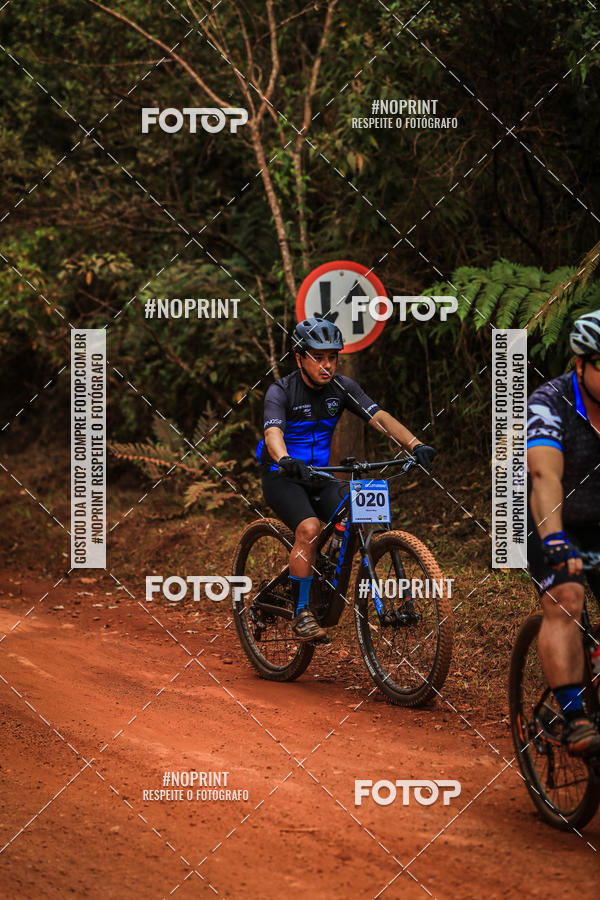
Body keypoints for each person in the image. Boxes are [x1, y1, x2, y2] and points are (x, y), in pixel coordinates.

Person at [256, 314, 435, 642]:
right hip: (282, 474)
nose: (327, 365)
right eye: (318, 358)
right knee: (309, 529)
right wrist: (284, 459)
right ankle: (301, 613)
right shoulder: (281, 391)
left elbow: (379, 417)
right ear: (299, 359)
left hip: (320, 474)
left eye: (332, 358)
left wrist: (415, 444)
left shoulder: (342, 388)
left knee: (357, 518)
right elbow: (273, 433)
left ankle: (321, 570)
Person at [527, 309, 600, 756]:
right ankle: (574, 718)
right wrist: (554, 539)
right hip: (549, 517)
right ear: (580, 364)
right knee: (566, 598)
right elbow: (545, 477)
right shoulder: (549, 402)